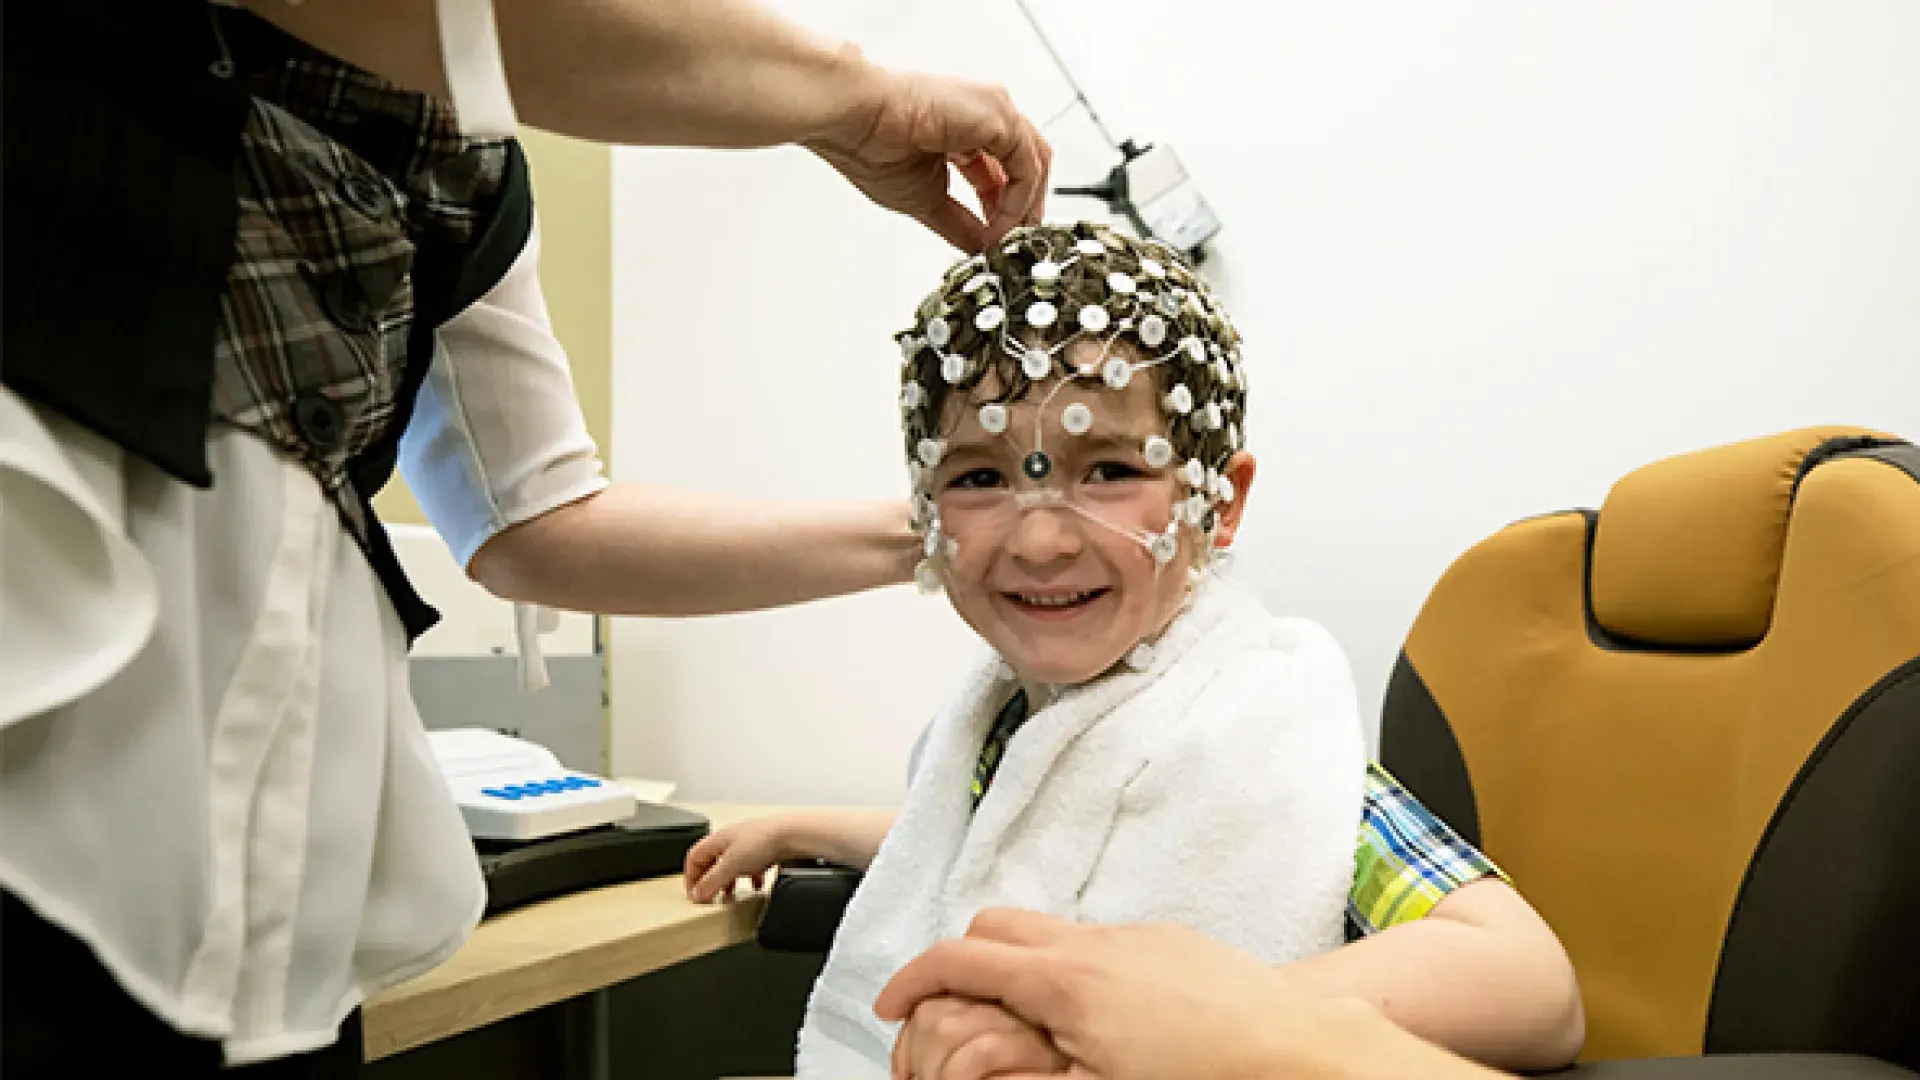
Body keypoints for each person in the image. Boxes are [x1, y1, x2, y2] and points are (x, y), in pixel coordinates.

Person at [0, 0, 1047, 1075]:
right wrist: (863, 100)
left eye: (1111, 471)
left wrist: (939, 530)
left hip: (285, 822)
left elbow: (533, 519)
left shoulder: (470, 170)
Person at [682, 223, 1584, 1078]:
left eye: (1110, 471)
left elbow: (1529, 982)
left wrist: (1192, 1023)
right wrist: (807, 830)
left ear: (1218, 504)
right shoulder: (1008, 721)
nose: (1040, 542)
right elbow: (996, 839)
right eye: (981, 477)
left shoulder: (1260, 741)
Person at [877, 909, 1512, 1080]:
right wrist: (815, 827)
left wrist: (1224, 1016)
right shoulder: (988, 732)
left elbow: (1513, 965)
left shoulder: (1293, 737)